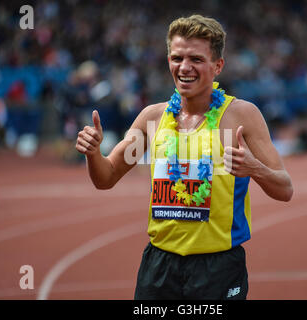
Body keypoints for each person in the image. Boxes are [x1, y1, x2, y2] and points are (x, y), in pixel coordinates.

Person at [76, 14, 293, 300]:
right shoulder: (152, 118)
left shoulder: (241, 116)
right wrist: (94, 154)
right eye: (177, 58)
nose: (185, 67)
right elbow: (106, 178)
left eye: (196, 59)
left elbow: (285, 188)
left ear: (218, 66)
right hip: (159, 267)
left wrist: (254, 168)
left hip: (218, 267)